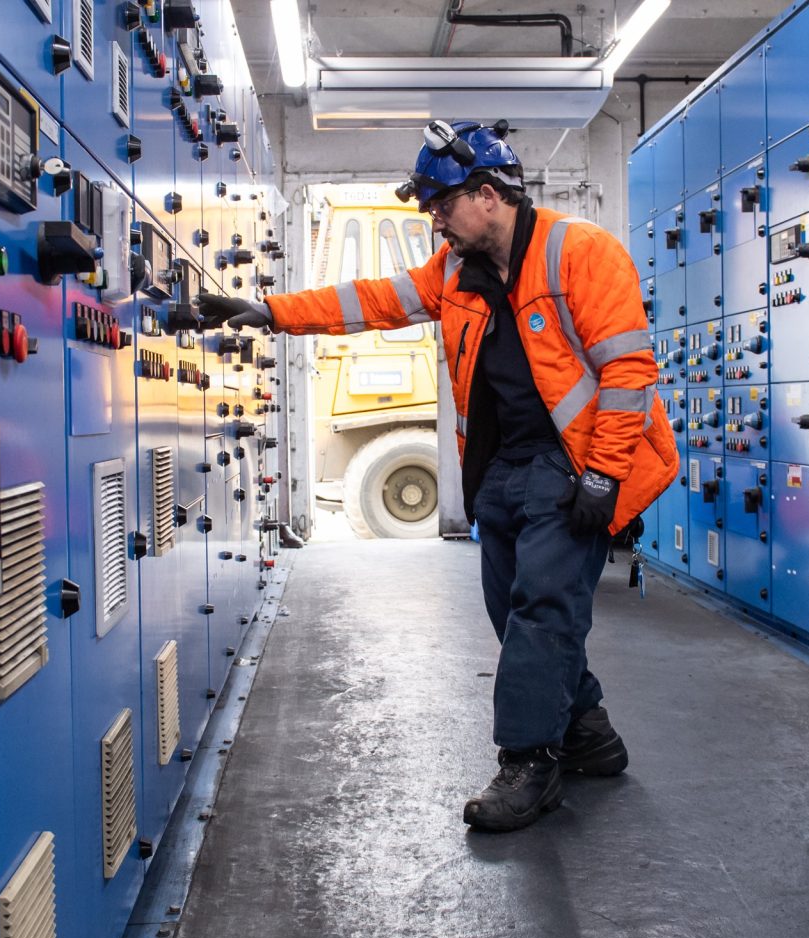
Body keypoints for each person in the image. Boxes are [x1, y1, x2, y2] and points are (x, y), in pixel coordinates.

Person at [198, 120, 678, 832]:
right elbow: (368, 302)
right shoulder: (455, 273)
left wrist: (604, 476)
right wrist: (271, 312)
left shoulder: (581, 252)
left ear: (488, 196)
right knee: (510, 610)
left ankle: (529, 760)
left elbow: (628, 370)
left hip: (571, 464)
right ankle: (588, 734)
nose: (435, 221)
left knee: (544, 609)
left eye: (441, 206)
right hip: (502, 466)